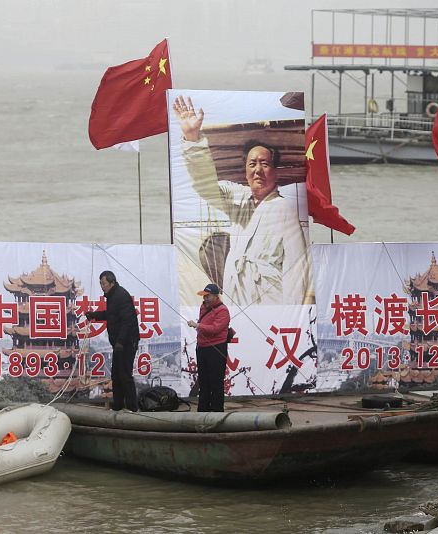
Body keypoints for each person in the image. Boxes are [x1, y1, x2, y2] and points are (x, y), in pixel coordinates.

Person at [173, 95, 312, 307]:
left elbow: (296, 264)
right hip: (236, 297)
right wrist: (193, 139)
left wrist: (292, 311)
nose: (258, 170)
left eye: (265, 164)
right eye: (252, 164)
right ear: (245, 171)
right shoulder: (237, 197)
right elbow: (205, 186)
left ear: (275, 171)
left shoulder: (282, 208)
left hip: (270, 300)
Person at [85, 271, 140, 412]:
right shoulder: (112, 296)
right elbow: (110, 314)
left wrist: (120, 341)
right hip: (118, 344)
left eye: (104, 283)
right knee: (116, 375)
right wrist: (94, 315)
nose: (102, 286)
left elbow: (127, 321)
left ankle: (132, 408)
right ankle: (118, 406)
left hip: (127, 342)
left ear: (112, 283)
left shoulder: (121, 296)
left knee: (125, 375)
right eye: (100, 284)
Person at [187, 283, 231, 412]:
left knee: (216, 381)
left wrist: (198, 325)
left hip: (216, 348)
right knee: (204, 381)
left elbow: (215, 329)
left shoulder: (222, 310)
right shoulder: (203, 307)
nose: (205, 298)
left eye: (208, 296)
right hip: (202, 347)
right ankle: (203, 409)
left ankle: (216, 410)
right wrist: (199, 327)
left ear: (216, 296)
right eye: (204, 296)